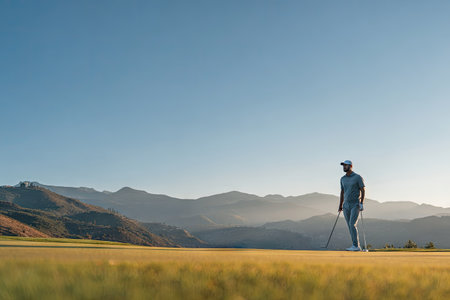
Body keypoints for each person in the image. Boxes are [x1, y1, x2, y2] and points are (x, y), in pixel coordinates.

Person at [338, 160, 365, 251]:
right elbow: (342, 192)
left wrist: (361, 203)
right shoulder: (342, 179)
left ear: (351, 166)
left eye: (345, 165)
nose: (344, 167)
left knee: (352, 224)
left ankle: (356, 246)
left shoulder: (357, 177)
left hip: (355, 204)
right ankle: (355, 245)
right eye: (343, 166)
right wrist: (340, 205)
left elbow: (362, 190)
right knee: (349, 226)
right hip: (346, 205)